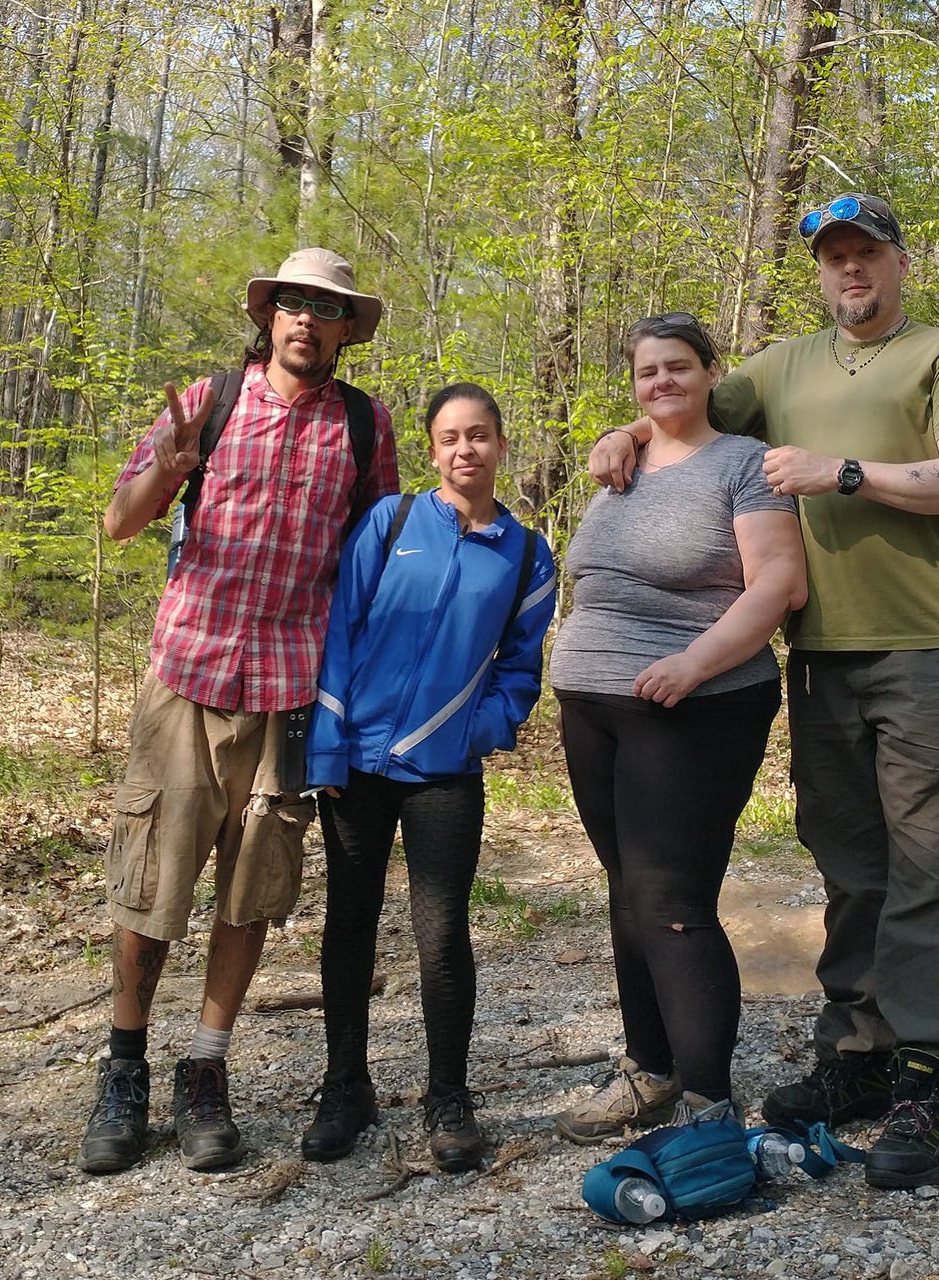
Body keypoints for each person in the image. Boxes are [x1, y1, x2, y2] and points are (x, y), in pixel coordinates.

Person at [588, 193, 939, 1189]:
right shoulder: (782, 363)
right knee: (852, 864)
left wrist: (843, 470)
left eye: (865, 254)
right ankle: (855, 1053)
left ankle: (926, 1073)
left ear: (897, 262)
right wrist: (623, 431)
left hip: (925, 647)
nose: (849, 272)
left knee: (931, 861)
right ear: (818, 273)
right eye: (833, 258)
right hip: (820, 658)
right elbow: (681, 402)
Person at [79, 247, 398, 1175]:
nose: (305, 319)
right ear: (269, 317)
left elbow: (374, 562)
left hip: (293, 693)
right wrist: (167, 472)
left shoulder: (365, 428)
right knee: (152, 878)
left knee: (252, 886)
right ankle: (125, 1067)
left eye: (324, 308)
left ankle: (206, 1069)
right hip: (187, 675)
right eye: (291, 303)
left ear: (346, 330)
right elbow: (120, 522)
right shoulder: (208, 400)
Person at [552, 314, 807, 1143]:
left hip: (692, 708)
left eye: (678, 367)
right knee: (628, 892)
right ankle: (648, 1074)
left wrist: (694, 664)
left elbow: (778, 584)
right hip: (595, 705)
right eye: (646, 371)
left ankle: (708, 1105)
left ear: (710, 373)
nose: (661, 382)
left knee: (671, 902)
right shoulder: (620, 465)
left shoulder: (742, 465)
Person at [299, 382, 556, 1173]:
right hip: (358, 766)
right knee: (349, 924)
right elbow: (340, 628)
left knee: (442, 936)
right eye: (449, 438)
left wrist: (478, 730)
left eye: (479, 435)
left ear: (501, 445)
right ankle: (346, 1085)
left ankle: (450, 1097)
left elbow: (520, 668)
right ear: (433, 449)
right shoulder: (393, 521)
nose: (464, 450)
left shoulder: (526, 554)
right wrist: (327, 748)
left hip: (445, 774)